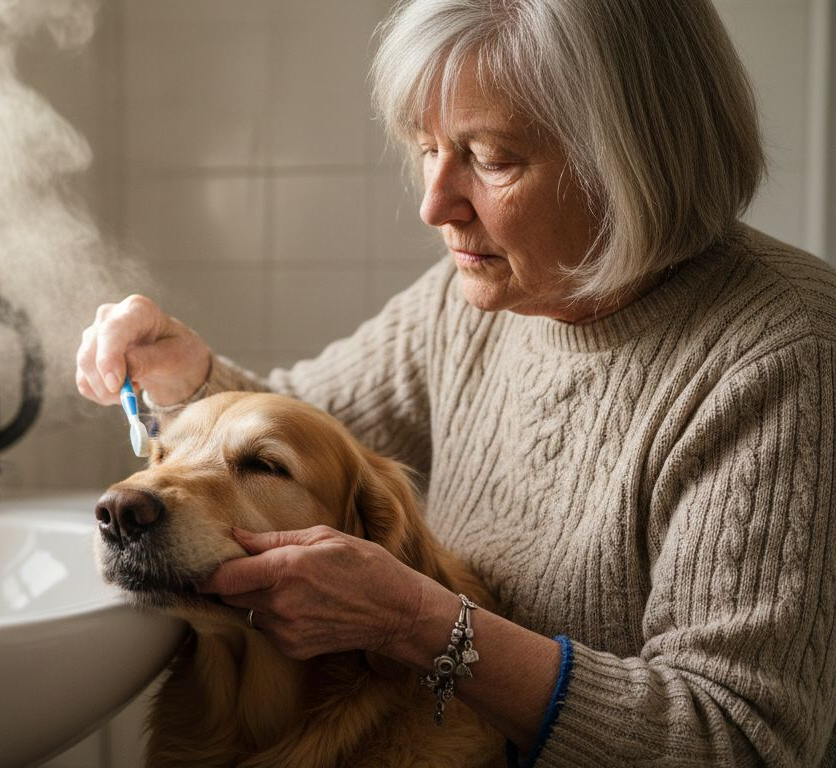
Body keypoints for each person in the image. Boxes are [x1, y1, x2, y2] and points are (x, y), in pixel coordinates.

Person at [76, 0, 836, 765]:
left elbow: (737, 739)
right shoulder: (476, 294)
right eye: (428, 148)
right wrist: (191, 378)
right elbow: (305, 443)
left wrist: (418, 624)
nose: (433, 204)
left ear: (638, 156)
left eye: (492, 158)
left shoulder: (784, 353)